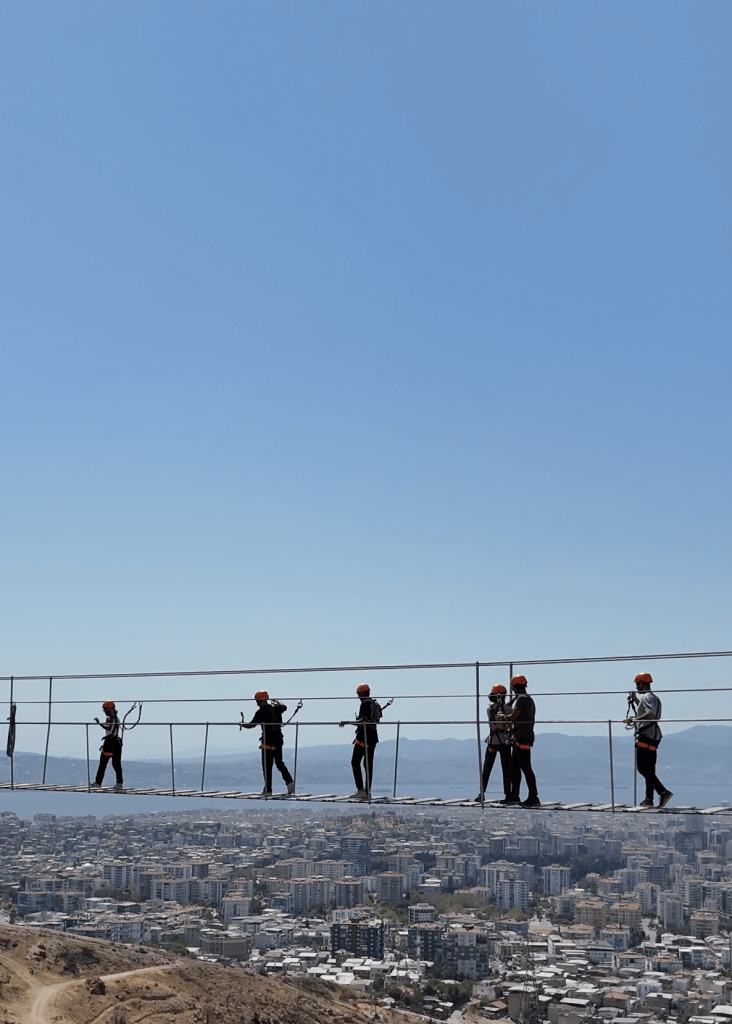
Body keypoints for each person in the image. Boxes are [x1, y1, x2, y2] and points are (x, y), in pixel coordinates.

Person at [626, 672, 673, 809]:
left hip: (646, 735)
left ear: (643, 683)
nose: (637, 687)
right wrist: (635, 700)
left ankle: (663, 792)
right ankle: (649, 798)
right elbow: (645, 710)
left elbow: (650, 714)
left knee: (642, 768)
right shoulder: (653, 697)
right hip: (654, 737)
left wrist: (633, 719)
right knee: (649, 769)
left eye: (638, 684)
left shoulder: (647, 697)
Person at [241, 690, 295, 796]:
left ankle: (268, 790)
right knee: (279, 763)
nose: (256, 703)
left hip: (268, 741)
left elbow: (251, 725)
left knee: (267, 766)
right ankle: (289, 782)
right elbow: (284, 707)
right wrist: (277, 701)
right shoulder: (276, 708)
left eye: (257, 700)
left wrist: (242, 724)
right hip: (278, 739)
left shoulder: (261, 712)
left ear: (260, 700)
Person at [500, 674, 540, 807]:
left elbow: (514, 716)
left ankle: (533, 796)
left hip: (522, 736)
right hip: (524, 735)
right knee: (516, 767)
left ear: (514, 687)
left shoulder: (522, 699)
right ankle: (514, 795)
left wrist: (502, 716)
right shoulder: (527, 699)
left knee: (525, 767)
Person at [340, 683, 380, 799]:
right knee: (368, 765)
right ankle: (367, 792)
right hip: (373, 737)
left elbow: (363, 721)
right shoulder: (374, 704)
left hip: (363, 737)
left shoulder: (365, 704)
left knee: (355, 762)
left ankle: (361, 790)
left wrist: (347, 722)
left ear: (361, 694)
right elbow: (375, 720)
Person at [475, 684, 513, 802]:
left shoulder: (490, 708)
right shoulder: (508, 709)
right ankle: (508, 794)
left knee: (487, 768)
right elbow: (510, 715)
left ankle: (481, 793)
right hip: (505, 741)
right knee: (506, 769)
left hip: (493, 741)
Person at [91, 701, 123, 791]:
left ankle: (98, 782)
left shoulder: (110, 718)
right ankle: (119, 783)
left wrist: (99, 723)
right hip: (117, 743)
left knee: (103, 763)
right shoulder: (117, 718)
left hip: (109, 743)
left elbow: (108, 727)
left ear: (108, 709)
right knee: (116, 764)